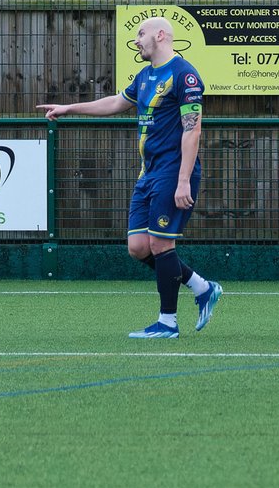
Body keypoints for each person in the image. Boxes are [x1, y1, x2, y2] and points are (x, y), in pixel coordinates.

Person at [37, 17, 222, 339]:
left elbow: (193, 130)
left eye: (140, 33)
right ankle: (202, 287)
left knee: (161, 244)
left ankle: (167, 323)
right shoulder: (146, 75)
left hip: (173, 172)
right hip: (148, 173)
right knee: (138, 247)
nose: (136, 40)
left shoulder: (185, 75)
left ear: (160, 35)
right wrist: (70, 108)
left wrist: (182, 181)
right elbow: (115, 102)